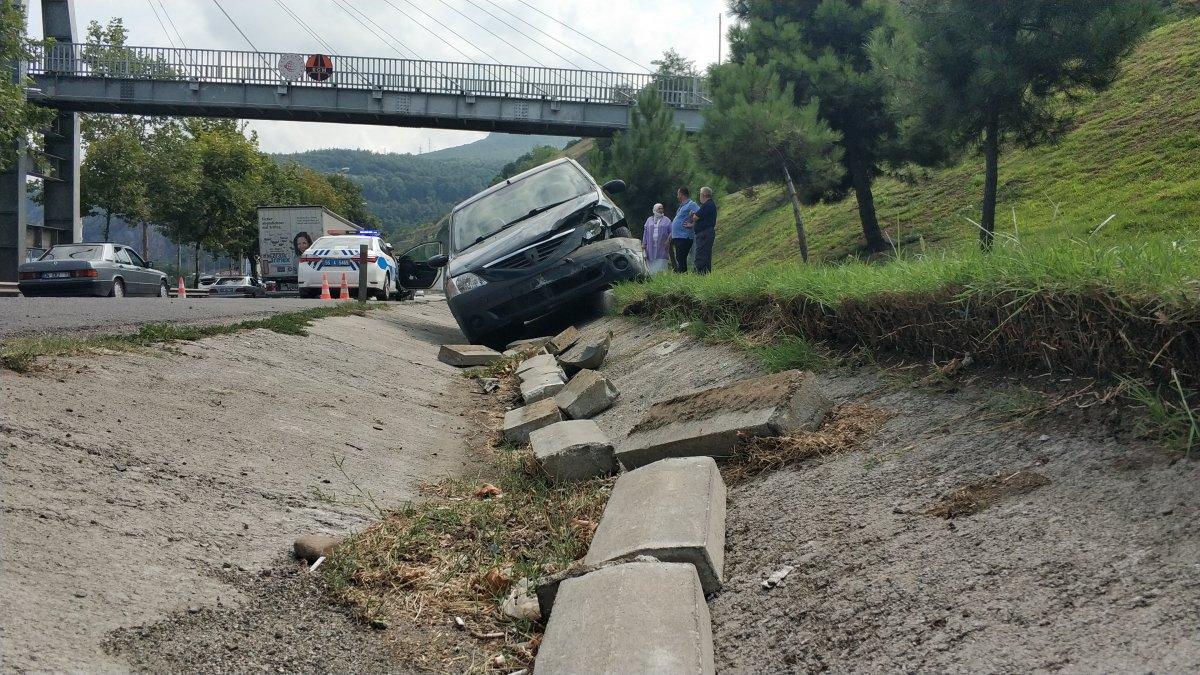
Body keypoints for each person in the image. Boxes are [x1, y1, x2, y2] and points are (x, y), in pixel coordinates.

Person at [670, 187, 700, 273]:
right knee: (679, 257)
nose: (677, 196)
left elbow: (700, 214)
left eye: (678, 194)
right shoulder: (681, 206)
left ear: (682, 195)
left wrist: (692, 224)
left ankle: (683, 274)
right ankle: (682, 274)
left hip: (684, 236)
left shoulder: (691, 204)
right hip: (677, 236)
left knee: (681, 257)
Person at [690, 186, 718, 274]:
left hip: (704, 233)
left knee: (700, 254)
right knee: (706, 255)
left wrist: (692, 214)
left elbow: (695, 217)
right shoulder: (710, 204)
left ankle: (697, 274)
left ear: (703, 195)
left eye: (700, 194)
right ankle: (705, 274)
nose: (699, 197)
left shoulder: (707, 205)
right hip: (707, 232)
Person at [642, 203, 672, 274]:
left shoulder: (667, 220)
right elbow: (645, 233)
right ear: (655, 209)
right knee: (651, 266)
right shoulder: (649, 220)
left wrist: (668, 240)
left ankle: (661, 279)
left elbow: (672, 231)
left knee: (661, 264)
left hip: (662, 247)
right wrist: (643, 244)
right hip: (650, 247)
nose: (661, 210)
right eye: (659, 208)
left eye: (662, 208)